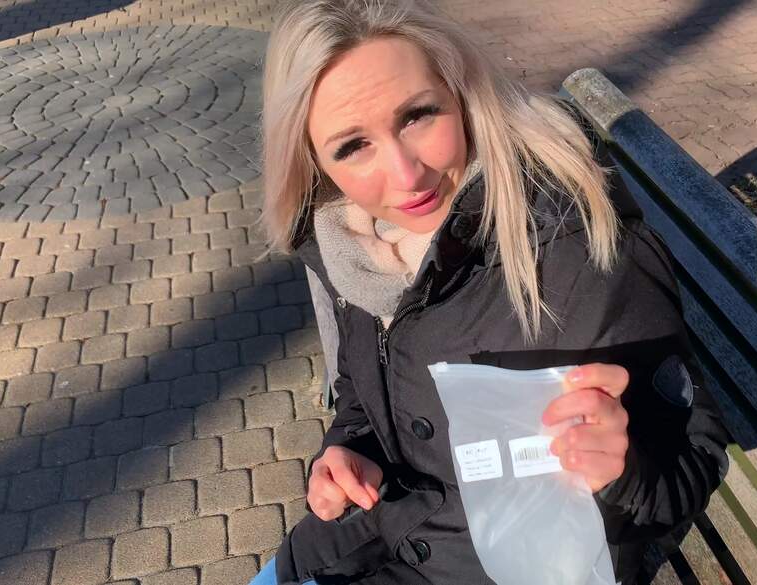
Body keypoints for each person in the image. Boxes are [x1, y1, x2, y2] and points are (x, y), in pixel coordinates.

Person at [252, 1, 730, 584]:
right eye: (353, 146)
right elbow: (361, 386)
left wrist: (623, 470)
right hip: (371, 533)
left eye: (418, 115)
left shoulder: (571, 246)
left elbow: (690, 461)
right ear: (314, 162)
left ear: (461, 92)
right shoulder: (355, 242)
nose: (406, 175)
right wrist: (351, 449)